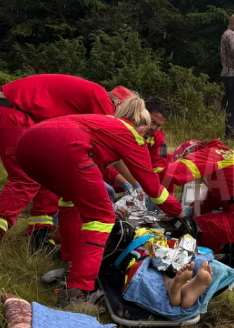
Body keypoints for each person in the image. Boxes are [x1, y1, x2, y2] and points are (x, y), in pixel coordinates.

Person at [15, 95, 182, 310]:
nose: (149, 133)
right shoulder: (130, 134)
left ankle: (71, 266)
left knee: (70, 202)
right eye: (149, 127)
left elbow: (98, 169)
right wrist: (178, 211)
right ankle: (76, 294)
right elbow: (153, 188)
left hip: (27, 145)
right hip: (64, 146)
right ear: (141, 124)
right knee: (101, 218)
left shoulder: (103, 123)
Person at [0, 74, 135, 256]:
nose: (121, 120)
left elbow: (97, 156)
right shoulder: (102, 100)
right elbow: (111, 150)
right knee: (25, 180)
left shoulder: (88, 102)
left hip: (17, 113)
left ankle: (38, 239)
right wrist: (136, 184)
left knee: (48, 176)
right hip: (12, 113)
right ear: (119, 105)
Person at [158, 140, 234, 262]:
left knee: (186, 229)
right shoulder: (230, 154)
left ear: (188, 152)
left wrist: (173, 210)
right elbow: (212, 199)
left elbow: (169, 173)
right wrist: (188, 211)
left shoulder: (204, 154)